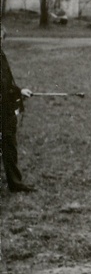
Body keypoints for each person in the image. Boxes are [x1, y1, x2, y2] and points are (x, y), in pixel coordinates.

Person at [1, 22, 36, 193]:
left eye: (1, 38)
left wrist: (19, 91)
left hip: (5, 107)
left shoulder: (1, 54)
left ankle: (15, 182)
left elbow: (6, 82)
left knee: (9, 144)